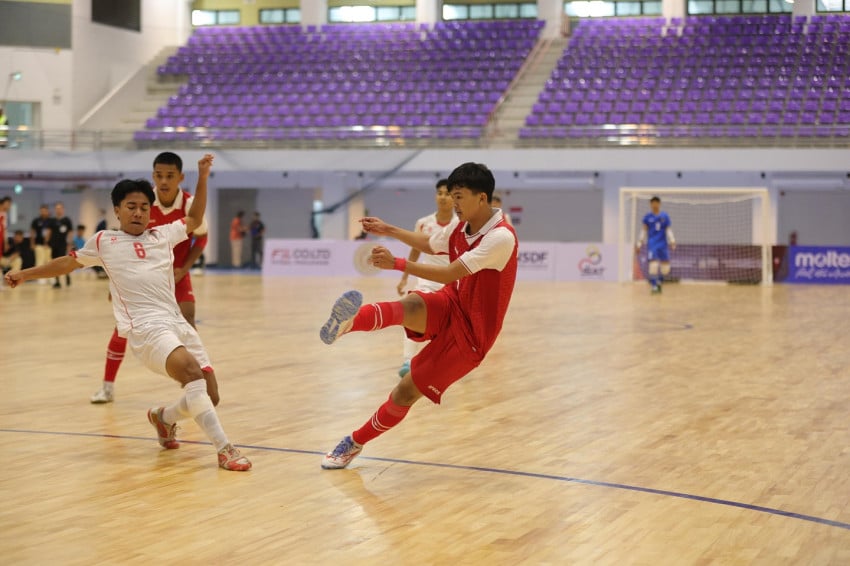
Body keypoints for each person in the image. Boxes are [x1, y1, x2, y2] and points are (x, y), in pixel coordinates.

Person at [6, 155, 252, 471]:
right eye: (131, 207)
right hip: (146, 331)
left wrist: (203, 177)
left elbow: (194, 219)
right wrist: (24, 274)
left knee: (210, 395)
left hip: (176, 323)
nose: (138, 212)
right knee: (192, 373)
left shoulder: (162, 235)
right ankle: (225, 450)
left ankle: (163, 418)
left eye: (144, 207)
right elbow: (66, 263)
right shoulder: (104, 241)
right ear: (117, 210)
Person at [319, 162, 518, 470]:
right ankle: (347, 324)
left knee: (405, 391)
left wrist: (398, 264)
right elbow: (430, 244)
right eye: (451, 195)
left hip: (471, 336)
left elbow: (451, 271)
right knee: (411, 304)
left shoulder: (501, 237)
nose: (453, 203)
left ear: (482, 198)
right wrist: (388, 229)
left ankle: (354, 442)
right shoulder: (460, 226)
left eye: (459, 196)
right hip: (453, 302)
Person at [90, 151, 209, 404]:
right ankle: (107, 387)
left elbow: (202, 238)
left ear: (180, 178)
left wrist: (185, 268)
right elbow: (121, 245)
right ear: (153, 176)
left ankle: (193, 380)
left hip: (177, 274)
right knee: (122, 329)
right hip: (144, 279)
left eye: (169, 176)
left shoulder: (190, 204)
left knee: (188, 320)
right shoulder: (144, 203)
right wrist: (118, 283)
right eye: (158, 175)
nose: (163, 181)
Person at [394, 178, 459, 377]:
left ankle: (441, 363)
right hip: (426, 280)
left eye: (447, 194)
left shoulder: (461, 224)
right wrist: (404, 278)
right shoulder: (423, 223)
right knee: (411, 312)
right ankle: (407, 361)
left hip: (452, 282)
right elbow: (415, 250)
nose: (443, 197)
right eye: (440, 193)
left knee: (448, 327)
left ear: (455, 198)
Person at [636, 196, 675, 294]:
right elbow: (643, 230)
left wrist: (672, 240)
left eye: (656, 203)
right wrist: (639, 243)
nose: (654, 205)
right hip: (652, 244)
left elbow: (668, 229)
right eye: (652, 203)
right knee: (653, 265)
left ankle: (658, 282)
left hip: (663, 244)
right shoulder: (647, 217)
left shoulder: (664, 216)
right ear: (650, 204)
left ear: (659, 204)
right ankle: (654, 286)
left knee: (665, 269)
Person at [48, 202, 73, 288]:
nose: (58, 210)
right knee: (55, 263)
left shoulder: (67, 220)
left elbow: (70, 232)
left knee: (63, 262)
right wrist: (47, 242)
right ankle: (57, 281)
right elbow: (49, 232)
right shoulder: (52, 221)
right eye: (57, 208)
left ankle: (67, 275)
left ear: (63, 209)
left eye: (60, 208)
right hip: (54, 244)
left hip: (63, 245)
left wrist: (69, 243)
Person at [30, 205, 52, 280]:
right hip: (38, 244)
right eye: (42, 211)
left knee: (49, 260)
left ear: (47, 211)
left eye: (45, 211)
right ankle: (40, 277)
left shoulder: (51, 221)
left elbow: (51, 232)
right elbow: (32, 232)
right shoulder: (36, 221)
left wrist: (47, 243)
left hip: (49, 245)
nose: (43, 212)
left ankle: (50, 277)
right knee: (39, 260)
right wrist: (32, 243)